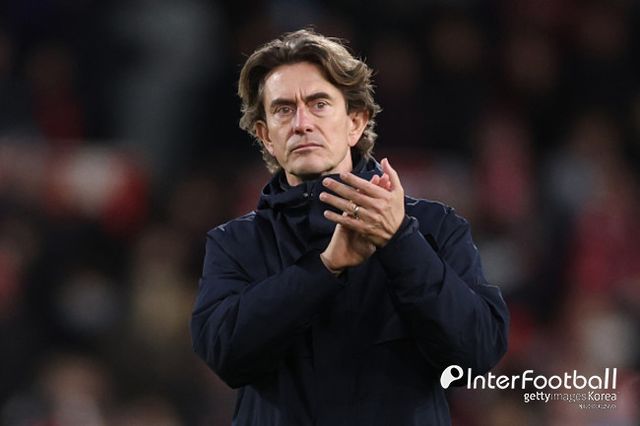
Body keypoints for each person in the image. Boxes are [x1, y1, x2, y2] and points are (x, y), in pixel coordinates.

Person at [190, 29, 509, 425]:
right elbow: (224, 355)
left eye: (319, 104)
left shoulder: (434, 227)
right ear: (266, 136)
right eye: (283, 110)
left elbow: (477, 353)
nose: (301, 123)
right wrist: (324, 268)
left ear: (355, 122)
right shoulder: (234, 243)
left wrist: (399, 241)